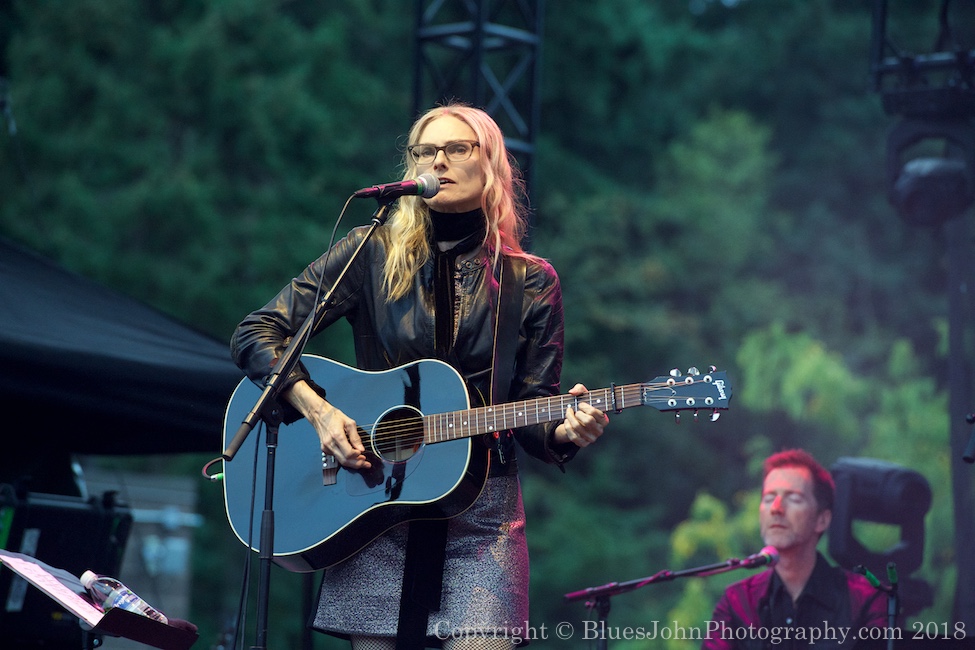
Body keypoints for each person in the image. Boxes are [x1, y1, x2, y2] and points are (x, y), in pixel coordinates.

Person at [230, 102, 610, 649]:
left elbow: (533, 407)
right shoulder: (370, 252)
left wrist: (565, 431)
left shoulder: (530, 282)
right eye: (426, 151)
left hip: (482, 518)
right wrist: (321, 412)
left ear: (490, 164)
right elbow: (258, 332)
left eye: (457, 148)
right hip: (373, 502)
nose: (439, 162)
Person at [703, 449, 888, 650]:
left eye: (793, 498)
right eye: (768, 498)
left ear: (822, 520)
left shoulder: (865, 597)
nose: (776, 508)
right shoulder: (738, 601)